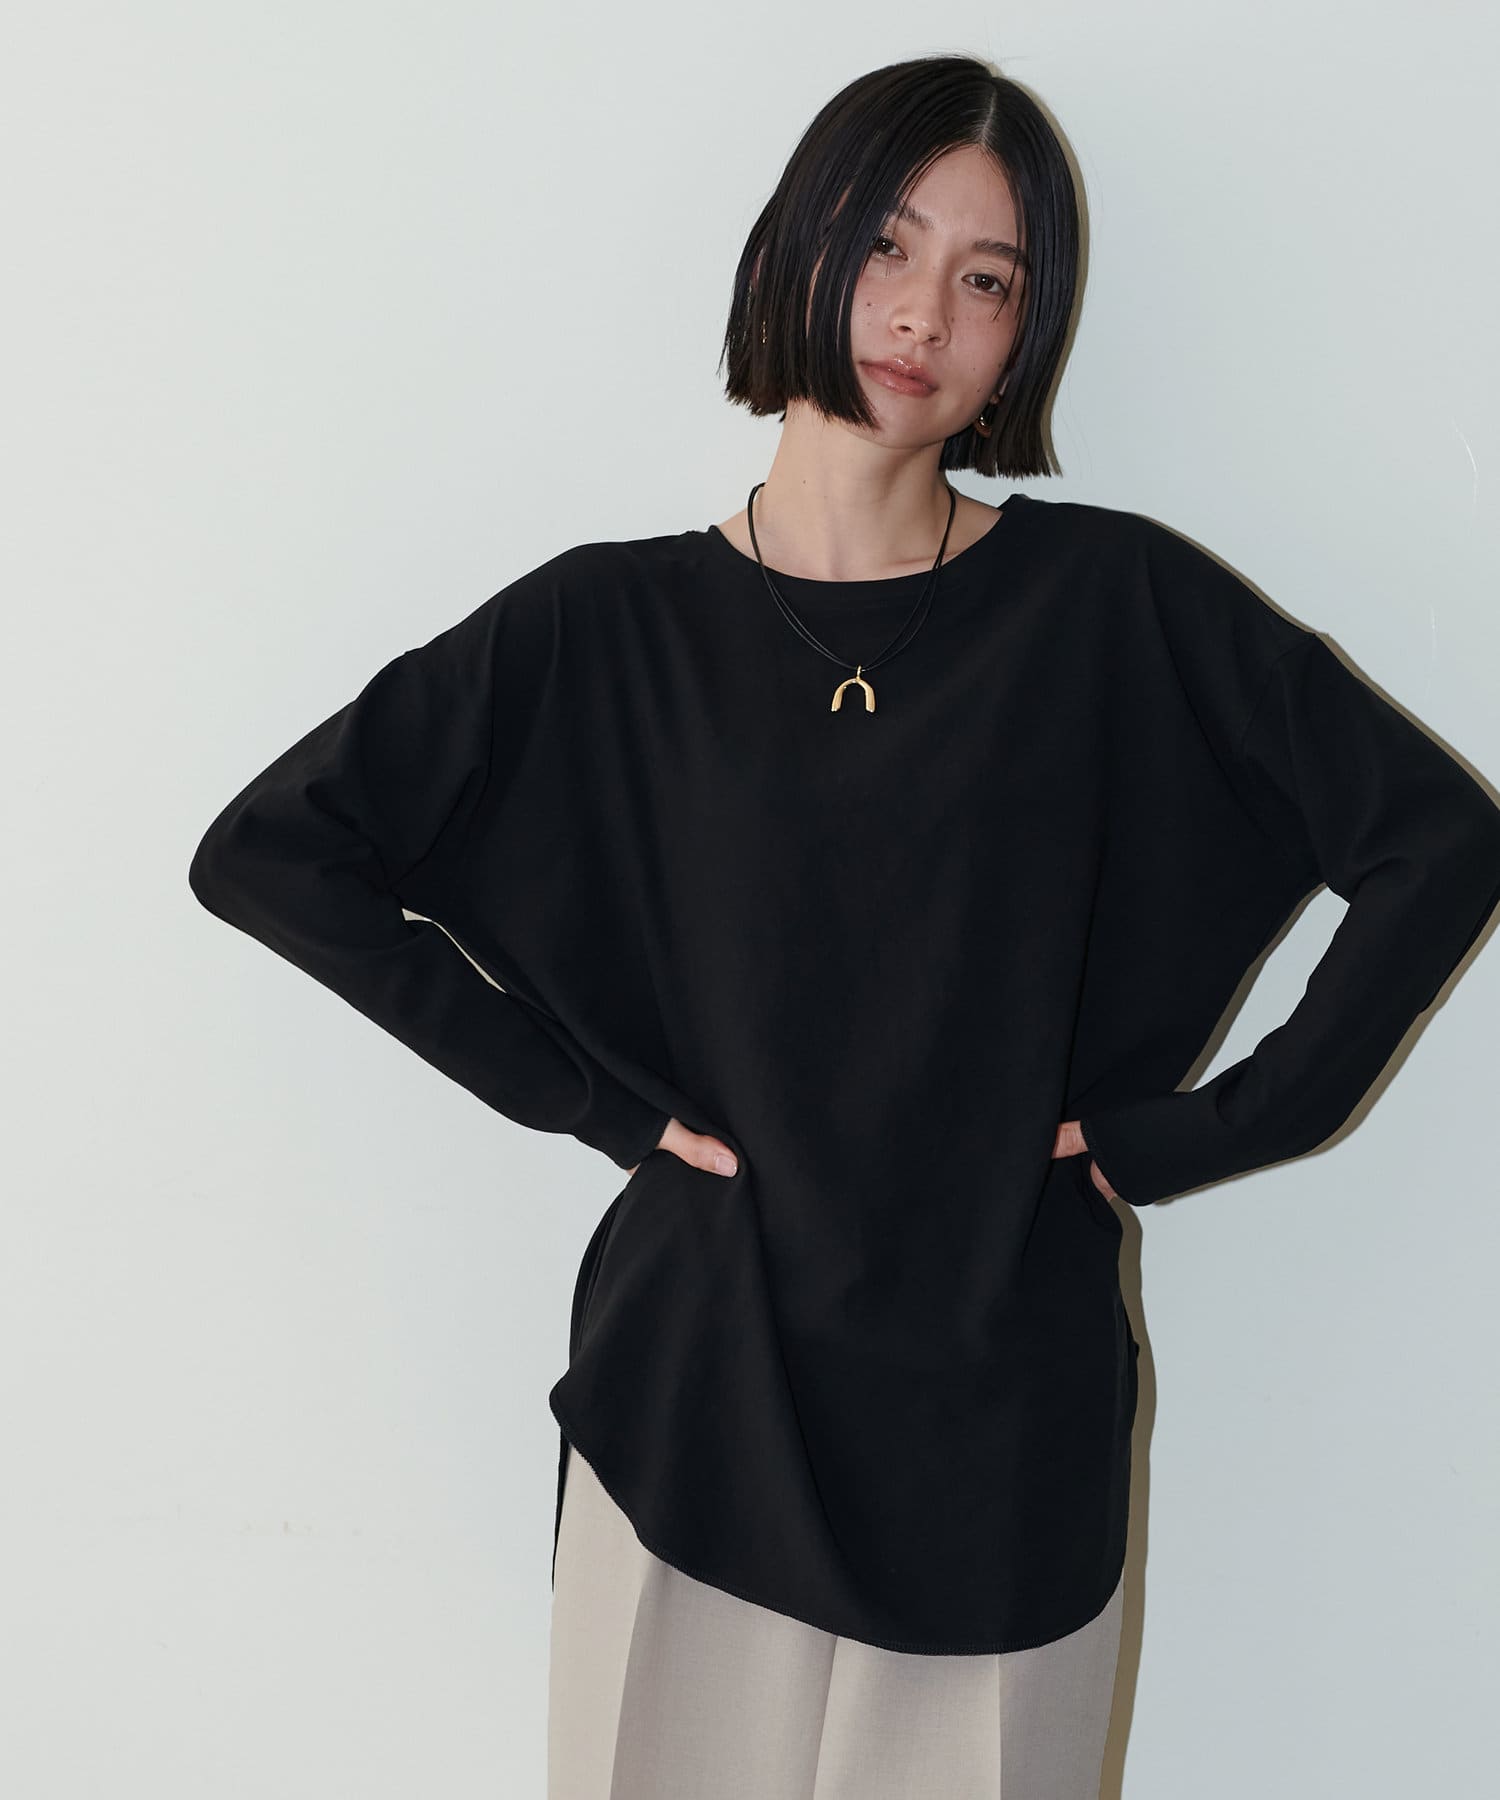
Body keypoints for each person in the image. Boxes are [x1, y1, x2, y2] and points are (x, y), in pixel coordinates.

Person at [187, 53, 1500, 1800]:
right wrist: (585, 1102)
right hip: (693, 1404)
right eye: (888, 242)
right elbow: (274, 853)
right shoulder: (603, 629)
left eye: (987, 277)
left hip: (1003, 1415)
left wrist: (1190, 1137)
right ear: (796, 246)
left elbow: (1438, 844)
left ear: (1026, 334)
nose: (924, 313)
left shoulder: (1111, 608)